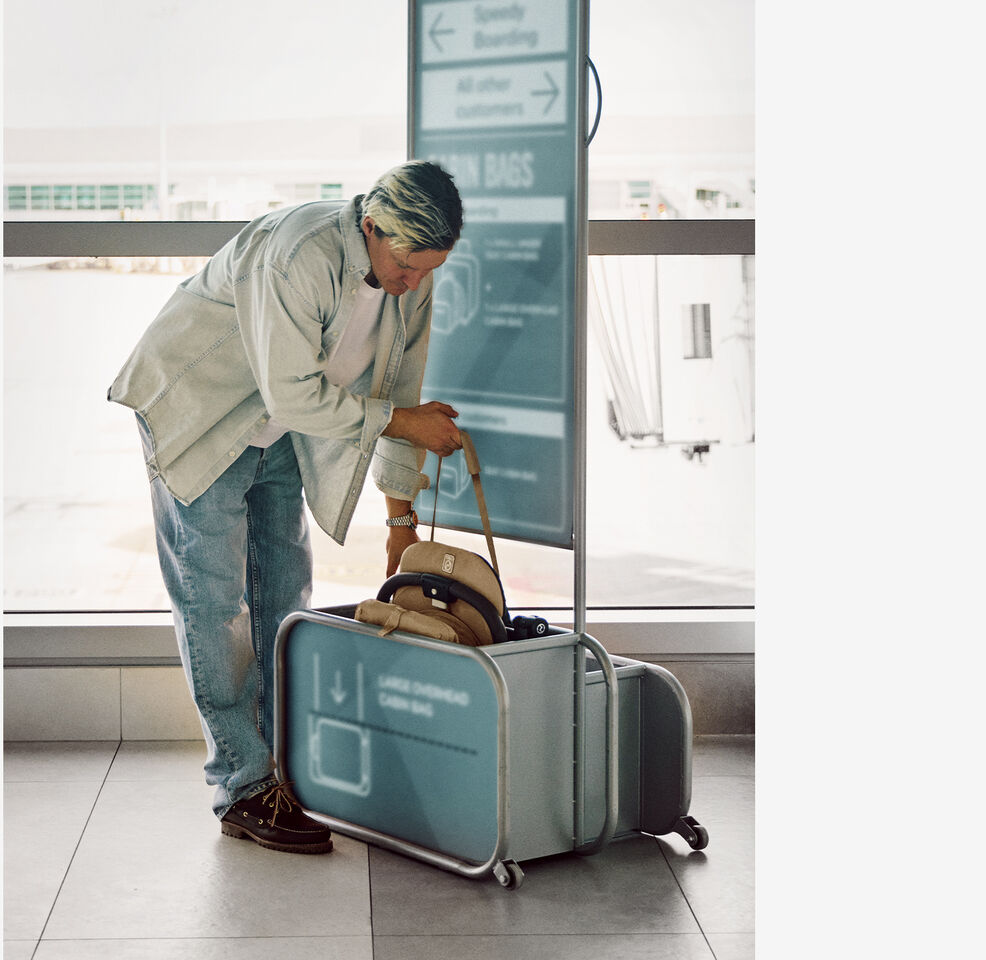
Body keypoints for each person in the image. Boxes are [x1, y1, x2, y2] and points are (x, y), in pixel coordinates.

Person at [107, 160, 464, 854]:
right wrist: (403, 423)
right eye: (405, 267)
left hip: (276, 432)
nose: (413, 284)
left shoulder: (410, 279)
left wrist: (400, 524)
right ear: (371, 227)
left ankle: (284, 769)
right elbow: (300, 394)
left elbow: (402, 393)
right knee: (214, 604)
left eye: (429, 270)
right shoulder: (300, 254)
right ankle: (244, 786)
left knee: (284, 596)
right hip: (199, 413)